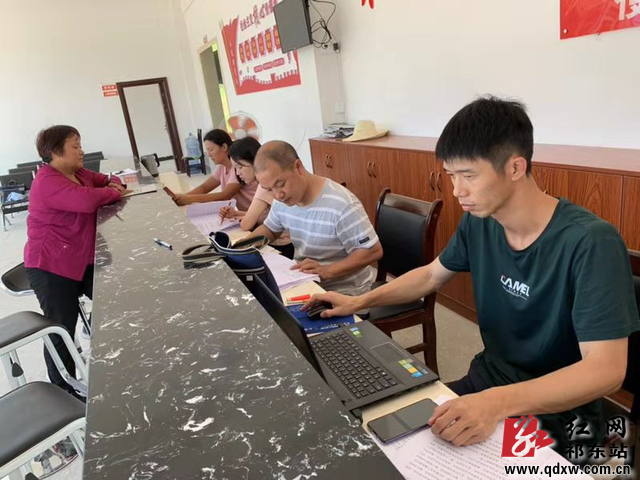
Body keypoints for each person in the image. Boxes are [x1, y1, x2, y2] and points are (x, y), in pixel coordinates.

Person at [307, 97, 640, 459]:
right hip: (486, 383)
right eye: (451, 175)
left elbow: (606, 370)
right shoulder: (480, 222)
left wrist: (497, 404)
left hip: (557, 416)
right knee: (378, 442)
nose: (456, 190)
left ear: (515, 167)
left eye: (468, 176)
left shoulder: (590, 242)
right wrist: (358, 301)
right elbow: (431, 275)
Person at [24, 125, 126, 398]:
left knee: (115, 298)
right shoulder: (47, 181)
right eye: (76, 146)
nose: (82, 151)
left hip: (79, 259)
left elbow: (107, 179)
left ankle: (108, 351)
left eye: (80, 145)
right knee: (61, 328)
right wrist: (113, 192)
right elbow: (87, 201)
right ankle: (64, 390)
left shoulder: (78, 173)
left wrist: (112, 184)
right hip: (51, 265)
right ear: (55, 152)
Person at [246, 140, 383, 296]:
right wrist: (243, 247)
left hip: (344, 293)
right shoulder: (282, 201)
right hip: (304, 284)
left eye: (280, 184)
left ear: (298, 167)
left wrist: (327, 271)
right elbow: (271, 229)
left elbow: (372, 251)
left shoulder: (341, 204)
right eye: (269, 189)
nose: (278, 195)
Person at [218, 137, 294, 259]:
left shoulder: (265, 187)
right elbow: (265, 217)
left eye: (240, 167)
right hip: (284, 242)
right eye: (235, 168)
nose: (237, 173)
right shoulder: (266, 183)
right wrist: (237, 214)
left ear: (255, 162)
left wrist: (243, 217)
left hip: (279, 246)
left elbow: (246, 224)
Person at [174, 129, 258, 208]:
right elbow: (205, 187)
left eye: (211, 150)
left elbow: (224, 196)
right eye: (207, 151)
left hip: (253, 214)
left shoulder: (238, 169)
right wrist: (184, 197)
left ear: (224, 147)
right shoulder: (221, 167)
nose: (209, 154)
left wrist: (189, 199)